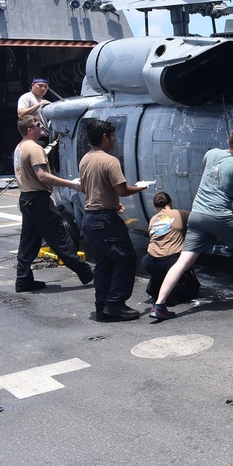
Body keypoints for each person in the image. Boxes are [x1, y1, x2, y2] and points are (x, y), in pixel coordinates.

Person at [151, 127, 233, 321]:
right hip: (220, 217)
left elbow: (209, 166)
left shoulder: (211, 153)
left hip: (197, 215)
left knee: (183, 262)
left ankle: (159, 305)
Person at [78, 119, 150, 322]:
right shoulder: (110, 161)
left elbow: (85, 188)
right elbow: (122, 190)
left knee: (104, 262)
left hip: (90, 217)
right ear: (105, 137)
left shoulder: (85, 159)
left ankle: (102, 306)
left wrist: (111, 201)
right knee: (126, 258)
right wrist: (141, 187)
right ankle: (115, 303)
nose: (114, 140)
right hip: (105, 219)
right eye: (112, 136)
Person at [12, 114, 93, 292]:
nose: (40, 127)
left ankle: (23, 279)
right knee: (60, 238)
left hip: (27, 198)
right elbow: (42, 176)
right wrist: (71, 184)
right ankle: (86, 272)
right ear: (29, 130)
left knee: (28, 242)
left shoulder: (19, 147)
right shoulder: (34, 148)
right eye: (37, 125)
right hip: (37, 201)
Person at [141, 191, 201, 307]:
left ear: (155, 206)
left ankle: (156, 286)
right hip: (171, 260)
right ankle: (175, 290)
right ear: (171, 202)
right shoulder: (180, 214)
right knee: (191, 289)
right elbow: (198, 220)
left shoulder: (153, 219)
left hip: (149, 261)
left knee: (159, 272)